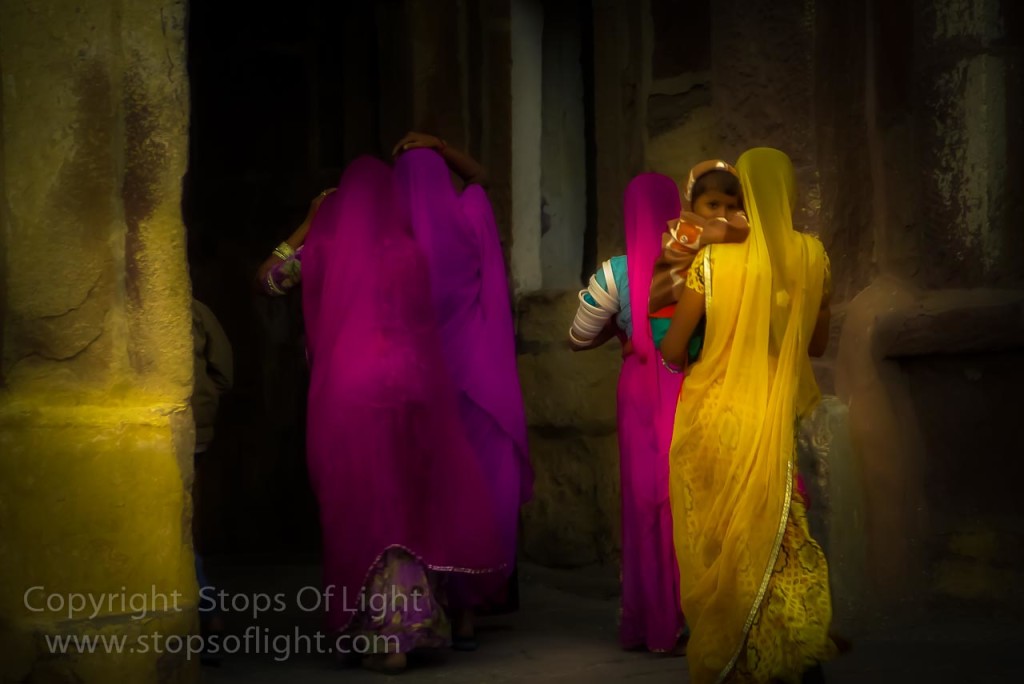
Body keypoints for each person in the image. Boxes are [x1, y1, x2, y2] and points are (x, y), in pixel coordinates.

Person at [276, 156, 509, 674]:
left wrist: (308, 226)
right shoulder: (407, 250)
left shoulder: (326, 248)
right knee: (410, 504)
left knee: (363, 502)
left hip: (350, 392)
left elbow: (268, 280)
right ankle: (414, 625)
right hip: (412, 386)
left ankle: (382, 636)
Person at [661, 147, 836, 684]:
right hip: (773, 414)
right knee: (777, 527)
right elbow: (817, 344)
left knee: (722, 536)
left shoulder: (712, 262)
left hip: (714, 413)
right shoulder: (812, 256)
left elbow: (671, 351)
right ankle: (793, 641)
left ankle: (734, 650)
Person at [392, 133, 532, 650]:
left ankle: (433, 606)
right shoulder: (470, 214)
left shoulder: (392, 238)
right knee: (480, 489)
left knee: (430, 492)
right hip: (479, 380)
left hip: (423, 381)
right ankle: (472, 607)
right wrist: (442, 147)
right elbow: (482, 178)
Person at [189, 298, 233, 662]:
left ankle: (207, 614)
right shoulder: (197, 309)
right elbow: (224, 373)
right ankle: (208, 615)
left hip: (190, 427)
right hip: (195, 425)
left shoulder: (194, 311)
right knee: (187, 527)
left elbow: (222, 372)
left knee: (181, 530)